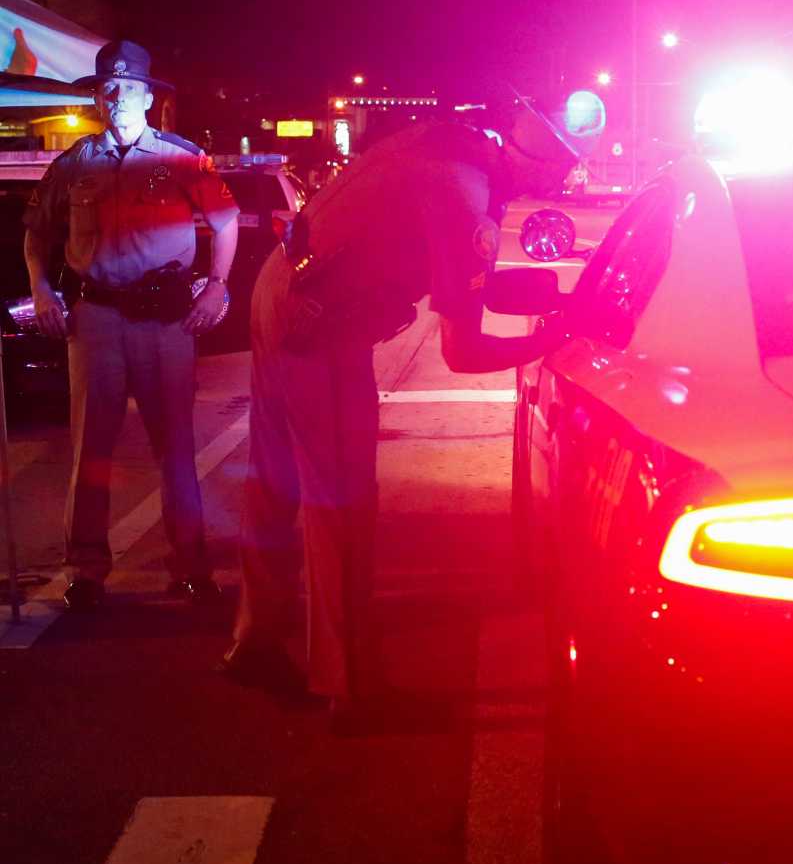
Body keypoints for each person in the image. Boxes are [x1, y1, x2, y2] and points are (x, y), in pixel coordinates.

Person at [219, 100, 578, 724]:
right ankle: (350, 683)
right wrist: (551, 340)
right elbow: (462, 351)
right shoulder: (468, 197)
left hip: (277, 291)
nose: (554, 191)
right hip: (320, 324)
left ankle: (254, 639)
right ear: (533, 169)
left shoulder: (439, 148)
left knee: (271, 484)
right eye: (555, 180)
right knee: (342, 504)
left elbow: (420, 260)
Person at [23, 40, 240, 611]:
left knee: (176, 448)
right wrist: (42, 289)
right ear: (99, 97)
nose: (117, 97)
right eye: (107, 89)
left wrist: (217, 285)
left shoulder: (180, 156)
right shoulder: (74, 164)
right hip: (95, 319)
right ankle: (86, 571)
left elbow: (226, 220)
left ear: (149, 97)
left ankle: (190, 567)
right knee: (90, 450)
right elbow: (36, 235)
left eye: (128, 88)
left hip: (164, 321)